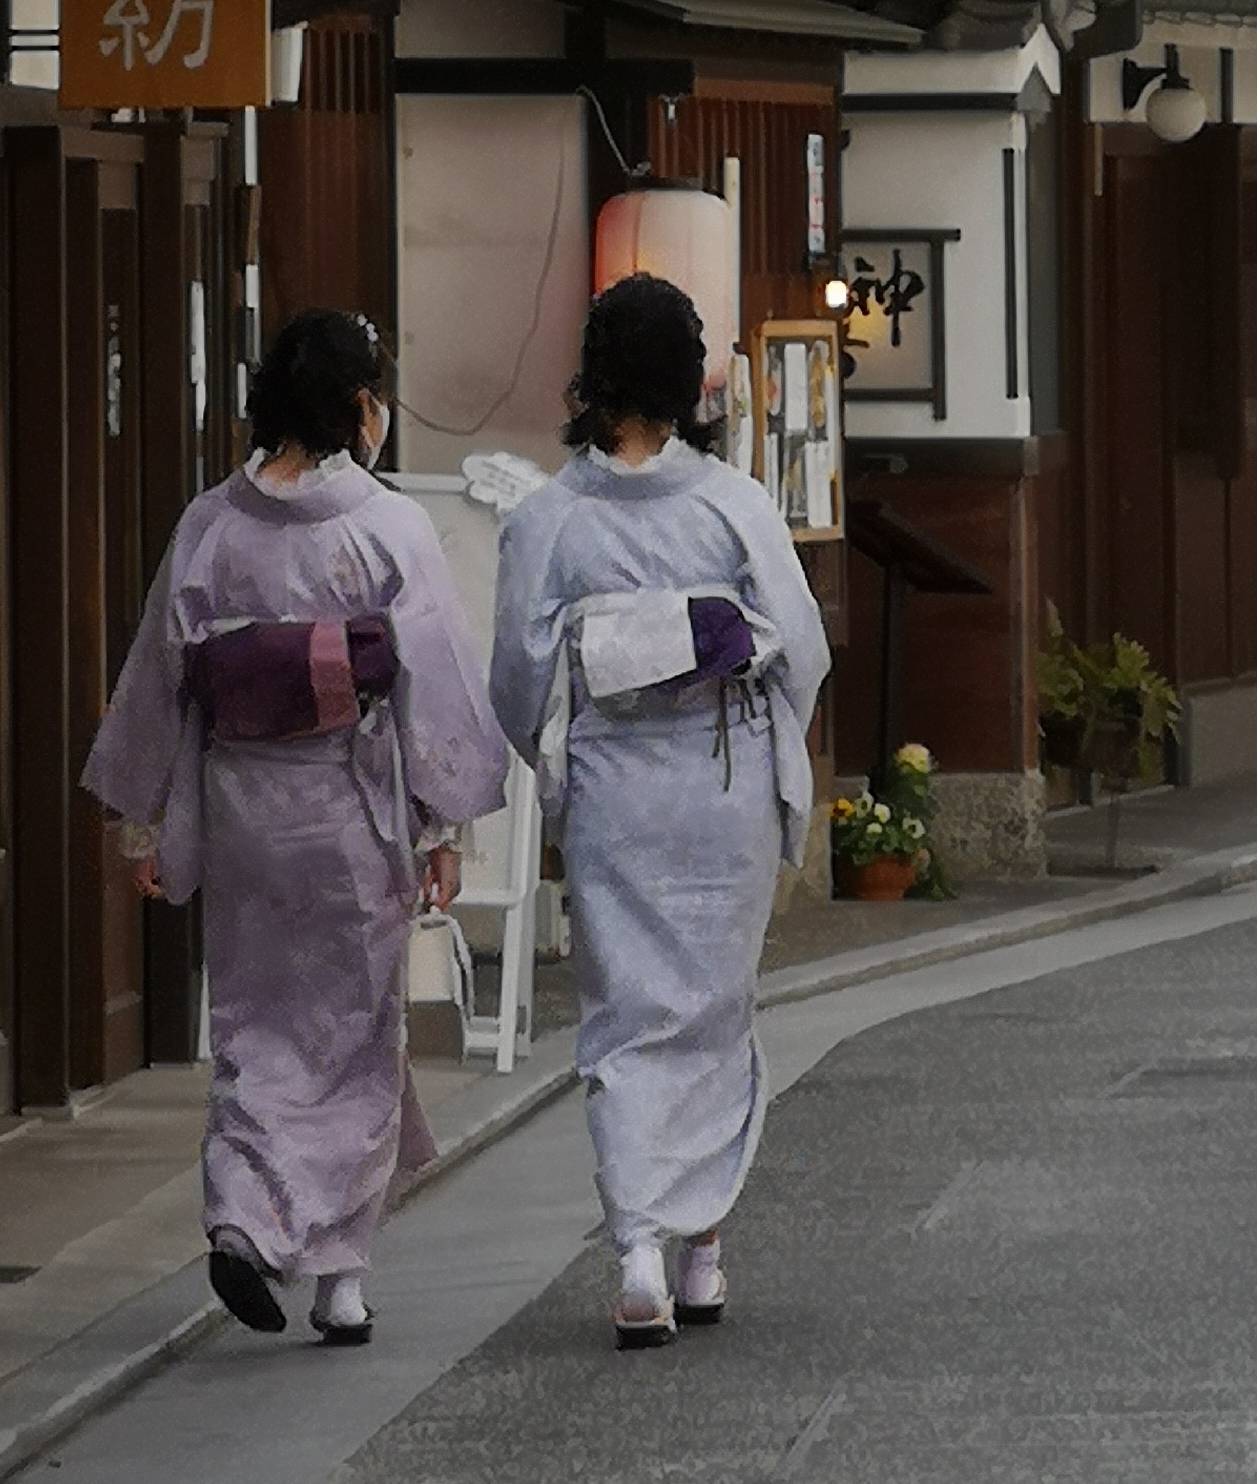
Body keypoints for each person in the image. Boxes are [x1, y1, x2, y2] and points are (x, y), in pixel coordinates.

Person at [84, 308, 505, 1345]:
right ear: (362, 409)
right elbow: (434, 684)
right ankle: (334, 1274)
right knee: (355, 1037)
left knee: (257, 1028)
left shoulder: (208, 526)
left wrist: (147, 822)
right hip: (346, 809)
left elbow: (156, 682)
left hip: (241, 813)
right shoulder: (385, 527)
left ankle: (249, 1211)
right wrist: (445, 820)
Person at [492, 274, 829, 1348]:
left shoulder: (549, 519)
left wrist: (569, 752)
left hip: (614, 791)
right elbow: (804, 650)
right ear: (689, 381)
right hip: (719, 781)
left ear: (593, 380)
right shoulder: (731, 505)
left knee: (627, 1014)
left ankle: (640, 1243)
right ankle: (703, 1250)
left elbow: (514, 674)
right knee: (714, 1010)